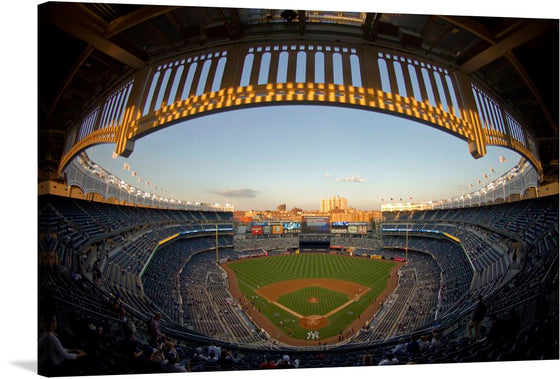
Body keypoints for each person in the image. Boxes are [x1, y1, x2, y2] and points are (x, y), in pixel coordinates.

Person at [38, 312, 86, 376]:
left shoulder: (46, 336)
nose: (56, 322)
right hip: (57, 367)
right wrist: (80, 355)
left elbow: (59, 349)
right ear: (51, 323)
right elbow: (66, 356)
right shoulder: (50, 337)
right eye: (55, 320)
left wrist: (72, 350)